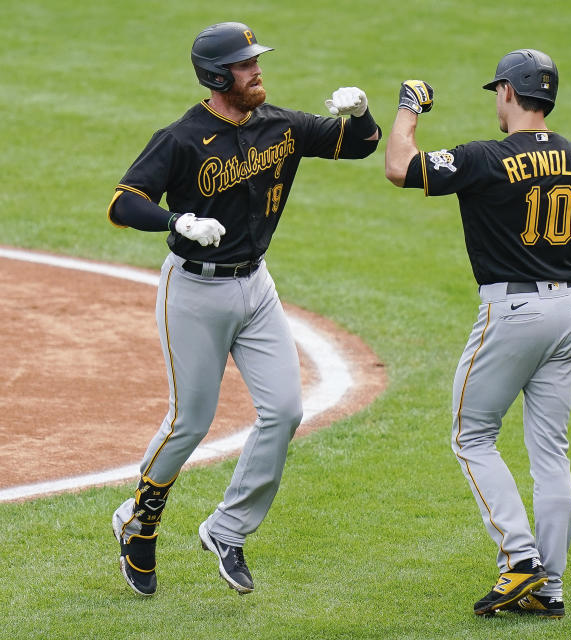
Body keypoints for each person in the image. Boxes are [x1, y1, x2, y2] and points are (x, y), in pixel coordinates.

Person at [107, 21, 380, 597]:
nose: (256, 70)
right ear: (215, 75)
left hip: (256, 288)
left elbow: (358, 145)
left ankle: (228, 529)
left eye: (255, 60)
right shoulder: (181, 138)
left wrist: (361, 113)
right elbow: (124, 203)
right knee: (191, 422)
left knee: (283, 412)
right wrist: (176, 220)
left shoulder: (279, 125)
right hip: (194, 293)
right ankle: (140, 519)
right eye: (244, 64)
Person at [385, 50, 571, 617]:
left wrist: (408, 109)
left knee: (472, 435)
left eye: (498, 91)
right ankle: (550, 587)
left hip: (511, 312)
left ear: (511, 94)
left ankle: (520, 560)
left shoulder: (484, 158)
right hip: (568, 311)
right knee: (551, 452)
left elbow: (401, 167)